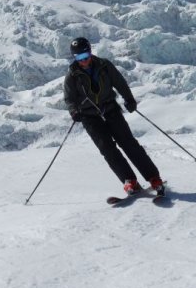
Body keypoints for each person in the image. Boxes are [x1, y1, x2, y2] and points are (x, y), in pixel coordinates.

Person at [63, 37, 165, 196]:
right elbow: (69, 98)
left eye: (86, 56)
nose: (84, 61)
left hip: (110, 109)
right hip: (89, 116)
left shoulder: (104, 65)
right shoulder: (72, 75)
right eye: (79, 58)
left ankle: (153, 177)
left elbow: (119, 82)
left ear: (90, 52)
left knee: (128, 143)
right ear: (74, 58)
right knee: (107, 149)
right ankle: (129, 180)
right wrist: (73, 110)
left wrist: (129, 99)